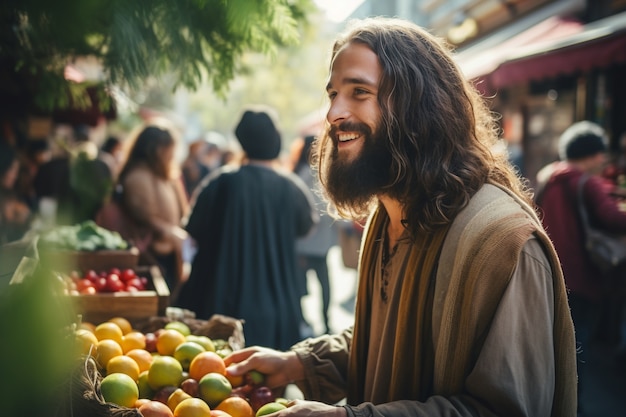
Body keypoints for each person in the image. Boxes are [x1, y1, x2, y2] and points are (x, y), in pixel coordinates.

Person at [223, 17, 577, 417]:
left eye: (359, 92)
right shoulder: (388, 214)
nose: (334, 113)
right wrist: (301, 363)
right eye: (334, 94)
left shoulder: (501, 242)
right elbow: (388, 341)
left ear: (419, 106)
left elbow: (505, 410)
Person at [175, 106, 317, 350]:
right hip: (276, 304)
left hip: (218, 302)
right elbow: (305, 228)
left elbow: (194, 228)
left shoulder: (220, 182)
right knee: (269, 380)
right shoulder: (291, 187)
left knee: (214, 376)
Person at [535, 120, 626, 409]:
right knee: (578, 347)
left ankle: (550, 399)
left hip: (552, 273)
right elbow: (613, 219)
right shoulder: (586, 183)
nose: (603, 160)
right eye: (600, 154)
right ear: (589, 155)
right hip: (583, 278)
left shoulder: (548, 178)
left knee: (556, 343)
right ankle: (571, 405)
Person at [113, 121, 189, 290]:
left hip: (168, 255)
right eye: (170, 149)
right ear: (157, 149)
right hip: (150, 257)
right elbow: (144, 216)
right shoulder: (138, 177)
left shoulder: (165, 176)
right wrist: (172, 232)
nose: (173, 154)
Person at [292, 135, 339, 335]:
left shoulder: (305, 173)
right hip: (306, 244)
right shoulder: (305, 175)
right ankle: (308, 322)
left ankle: (317, 322)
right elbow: (316, 208)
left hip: (312, 244)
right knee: (309, 287)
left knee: (316, 287)